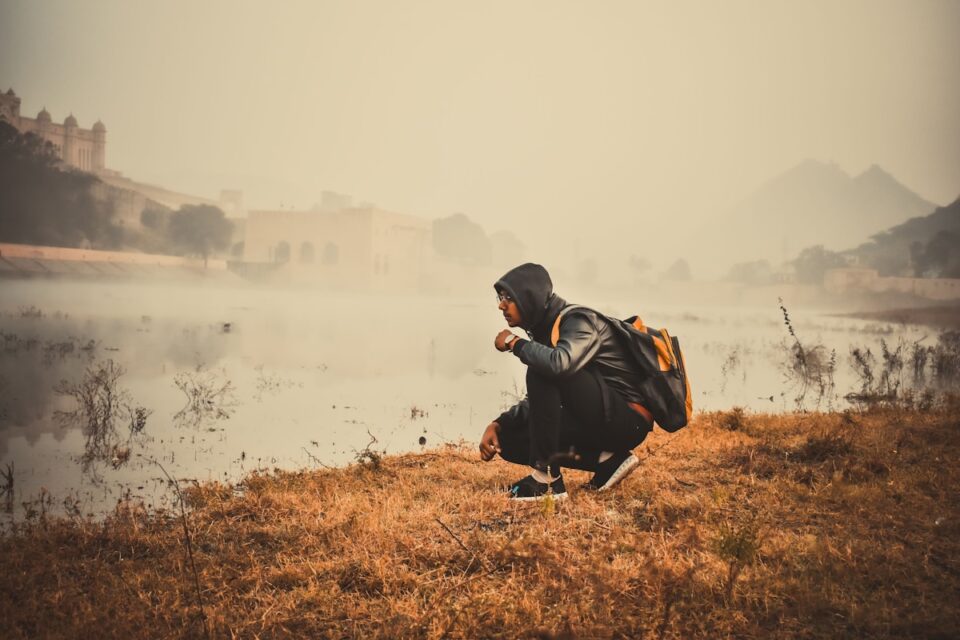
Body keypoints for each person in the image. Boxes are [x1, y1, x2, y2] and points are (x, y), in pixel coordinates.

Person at [479, 262, 654, 501]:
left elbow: (559, 364)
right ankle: (608, 461)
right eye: (500, 297)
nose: (501, 305)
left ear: (529, 297)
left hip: (628, 421)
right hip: (599, 418)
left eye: (508, 297)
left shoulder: (579, 321)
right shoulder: (545, 330)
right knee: (508, 439)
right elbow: (541, 401)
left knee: (543, 367)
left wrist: (514, 343)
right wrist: (499, 424)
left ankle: (547, 481)